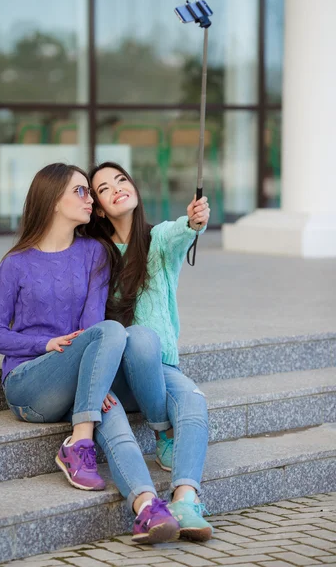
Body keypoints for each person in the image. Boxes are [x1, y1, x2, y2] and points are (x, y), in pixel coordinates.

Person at [0, 162, 180, 544]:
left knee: (110, 404)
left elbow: (95, 330)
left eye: (89, 192)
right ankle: (80, 440)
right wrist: (43, 344)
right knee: (104, 376)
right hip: (29, 384)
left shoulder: (94, 254)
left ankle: (145, 505)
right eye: (80, 191)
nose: (89, 198)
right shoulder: (16, 264)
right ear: (53, 200)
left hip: (76, 385)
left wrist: (96, 376)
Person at [88, 161, 213, 541]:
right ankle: (162, 431)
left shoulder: (157, 239)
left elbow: (182, 232)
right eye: (104, 189)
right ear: (97, 208)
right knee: (139, 338)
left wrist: (194, 221)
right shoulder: (93, 252)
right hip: (116, 371)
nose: (116, 189)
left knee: (193, 401)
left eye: (121, 180)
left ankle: (186, 499)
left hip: (161, 368)